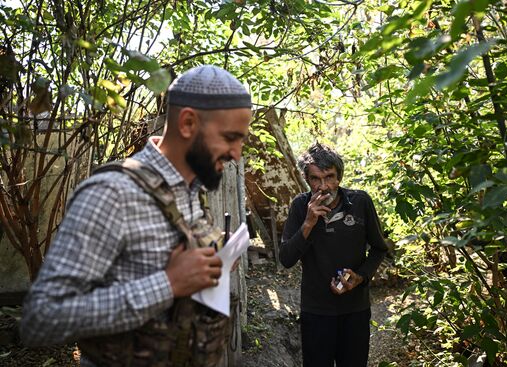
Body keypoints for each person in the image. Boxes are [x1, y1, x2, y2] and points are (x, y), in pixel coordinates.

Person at [20, 65, 253, 366]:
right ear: (187, 123)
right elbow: (40, 320)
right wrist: (168, 284)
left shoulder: (193, 188)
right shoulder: (111, 195)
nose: (236, 153)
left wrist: (213, 262)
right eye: (230, 137)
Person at [279, 142, 388, 367]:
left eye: (329, 177)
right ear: (306, 179)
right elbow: (286, 259)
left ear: (339, 177)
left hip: (355, 309)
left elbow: (379, 249)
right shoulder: (300, 206)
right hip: (316, 310)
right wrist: (308, 223)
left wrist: (360, 277)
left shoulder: (360, 203)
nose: (323, 186)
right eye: (315, 179)